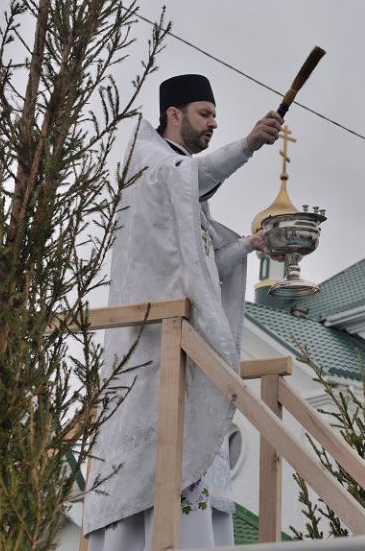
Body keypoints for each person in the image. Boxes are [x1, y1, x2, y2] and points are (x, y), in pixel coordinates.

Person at [82, 74, 282, 549]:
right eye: (204, 114)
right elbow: (190, 176)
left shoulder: (180, 185)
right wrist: (249, 144)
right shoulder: (150, 165)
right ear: (174, 114)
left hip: (183, 353)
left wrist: (248, 246)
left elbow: (201, 268)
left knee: (195, 474)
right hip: (152, 351)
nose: (213, 123)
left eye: (216, 116)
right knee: (149, 474)